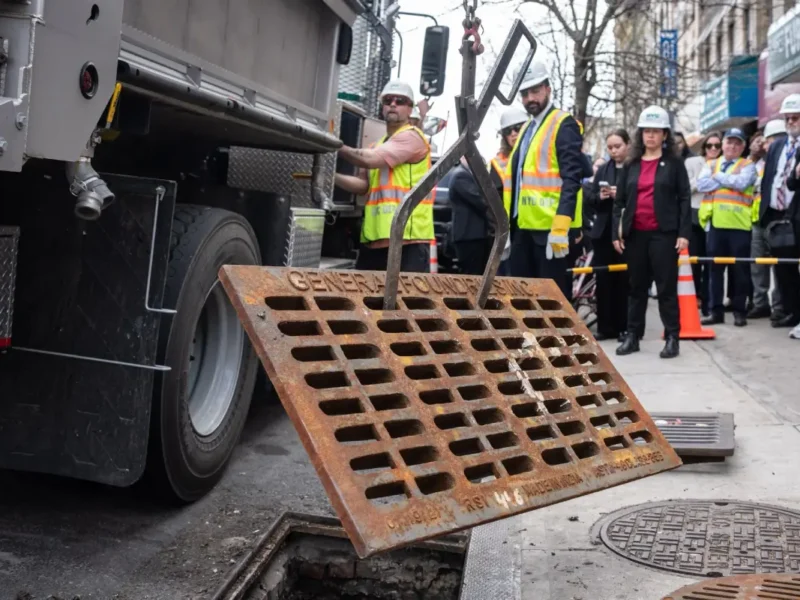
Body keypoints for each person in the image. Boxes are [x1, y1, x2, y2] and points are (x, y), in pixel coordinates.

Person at [612, 105, 691, 359]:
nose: (651, 136)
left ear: (665, 135)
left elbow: (684, 199)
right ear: (641, 134)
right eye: (647, 131)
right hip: (636, 235)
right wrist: (617, 233)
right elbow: (619, 202)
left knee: (666, 289)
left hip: (664, 235)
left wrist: (683, 232)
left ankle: (672, 338)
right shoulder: (631, 165)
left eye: (656, 132)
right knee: (636, 288)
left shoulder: (675, 164)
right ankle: (633, 336)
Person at [503, 61, 585, 297]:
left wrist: (562, 226)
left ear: (548, 89)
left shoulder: (563, 124)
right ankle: (529, 337)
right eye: (525, 93)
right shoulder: (528, 129)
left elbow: (572, 178)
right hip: (523, 230)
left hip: (550, 232)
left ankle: (560, 337)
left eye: (535, 91)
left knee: (553, 301)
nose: (530, 98)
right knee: (524, 300)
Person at [334, 80, 434, 272]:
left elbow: (370, 160)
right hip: (376, 241)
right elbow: (363, 186)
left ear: (410, 108)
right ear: (382, 106)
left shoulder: (412, 138)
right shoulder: (377, 145)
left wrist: (334, 145)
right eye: (388, 100)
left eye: (400, 101)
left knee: (402, 301)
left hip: (407, 242)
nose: (393, 104)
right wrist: (330, 177)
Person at [696, 128, 757, 327]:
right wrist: (726, 178)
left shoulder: (748, 165)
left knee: (741, 271)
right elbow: (702, 185)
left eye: (737, 143)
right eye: (729, 142)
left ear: (743, 146)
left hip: (740, 226)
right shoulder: (711, 163)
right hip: (716, 225)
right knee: (714, 271)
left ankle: (740, 311)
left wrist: (718, 177)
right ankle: (715, 312)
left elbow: (741, 183)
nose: (732, 146)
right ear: (723, 145)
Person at [757, 93, 800, 329]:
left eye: (796, 117)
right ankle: (791, 311)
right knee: (783, 269)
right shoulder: (777, 147)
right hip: (777, 215)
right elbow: (769, 180)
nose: (791, 122)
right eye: (788, 118)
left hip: (797, 214)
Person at [586, 129, 630, 341]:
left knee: (624, 280)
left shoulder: (633, 168)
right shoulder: (603, 169)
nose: (614, 151)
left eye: (618, 146)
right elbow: (590, 198)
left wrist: (619, 194)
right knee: (603, 280)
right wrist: (601, 195)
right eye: (610, 147)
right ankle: (605, 327)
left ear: (628, 145)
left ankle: (624, 327)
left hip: (624, 230)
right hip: (603, 231)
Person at [750, 119, 787, 321]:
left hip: (779, 219)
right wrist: (752, 155)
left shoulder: (786, 160)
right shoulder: (755, 163)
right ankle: (760, 303)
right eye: (771, 139)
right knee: (757, 265)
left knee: (780, 265)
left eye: (778, 139)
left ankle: (779, 307)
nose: (773, 144)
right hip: (757, 220)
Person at [684, 132, 722, 317]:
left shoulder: (726, 164)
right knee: (695, 260)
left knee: (713, 262)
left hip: (717, 213)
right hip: (695, 212)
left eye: (717, 146)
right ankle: (695, 297)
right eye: (710, 145)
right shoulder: (692, 163)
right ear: (704, 146)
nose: (713, 149)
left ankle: (710, 302)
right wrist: (706, 179)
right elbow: (687, 186)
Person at [448, 157, 492, 275]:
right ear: (462, 158)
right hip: (469, 236)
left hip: (474, 235)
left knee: (478, 273)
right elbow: (480, 201)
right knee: (472, 275)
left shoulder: (467, 174)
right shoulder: (461, 176)